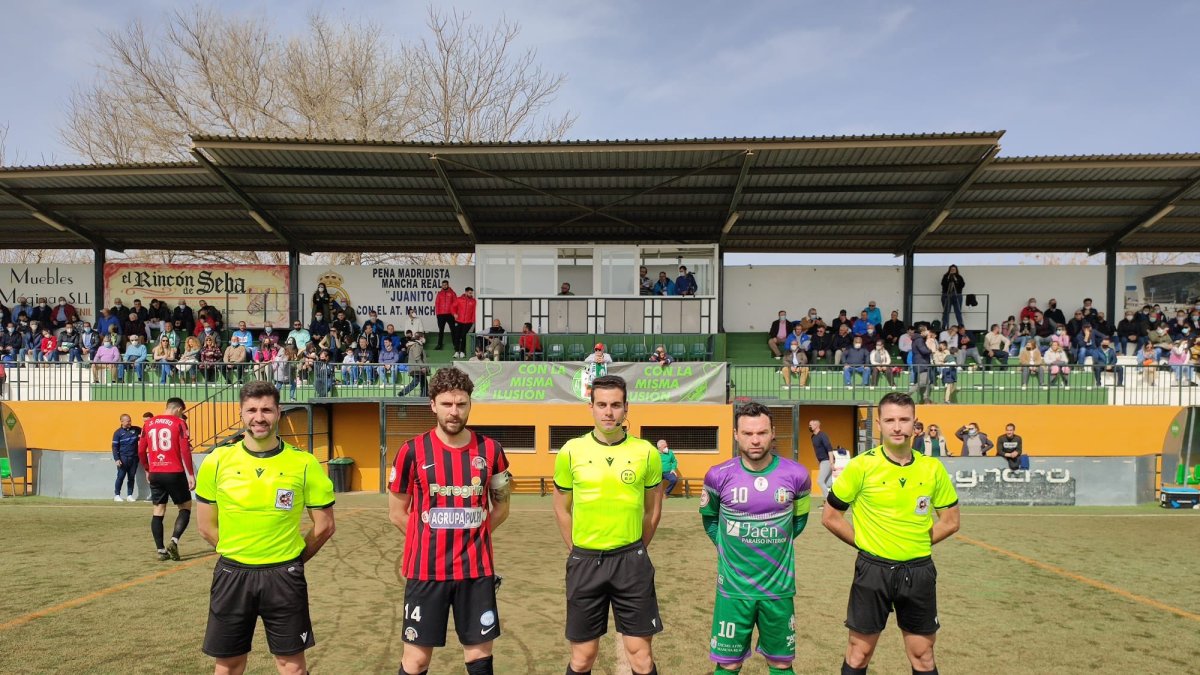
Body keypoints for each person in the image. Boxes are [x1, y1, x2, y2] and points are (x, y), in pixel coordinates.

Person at [195, 381, 336, 675]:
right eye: (252, 410)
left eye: (266, 410)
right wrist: (242, 552)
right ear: (241, 413)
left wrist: (292, 559)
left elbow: (324, 526)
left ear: (279, 412)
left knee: (291, 666)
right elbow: (206, 527)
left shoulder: (305, 463)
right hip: (233, 574)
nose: (259, 417)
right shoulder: (217, 461)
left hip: (284, 577)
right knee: (228, 665)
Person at [823, 392, 960, 675]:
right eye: (890, 420)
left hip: (919, 571)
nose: (897, 427)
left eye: (903, 420)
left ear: (914, 423)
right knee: (859, 653)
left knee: (923, 654)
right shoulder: (861, 466)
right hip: (873, 570)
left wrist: (916, 541)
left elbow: (951, 520)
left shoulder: (932, 468)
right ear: (879, 424)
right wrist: (863, 541)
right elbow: (830, 516)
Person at [387, 368, 511, 675]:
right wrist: (427, 538)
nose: (454, 412)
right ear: (433, 405)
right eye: (446, 404)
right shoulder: (411, 451)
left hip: (476, 571)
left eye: (461, 404)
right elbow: (397, 512)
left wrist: (471, 536)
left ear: (470, 404)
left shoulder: (492, 451)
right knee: (416, 660)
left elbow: (502, 507)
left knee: (479, 658)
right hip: (425, 572)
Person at [553, 375, 663, 675]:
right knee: (583, 657)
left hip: (632, 562)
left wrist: (635, 547)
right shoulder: (571, 451)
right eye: (601, 404)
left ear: (626, 407)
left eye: (615, 405)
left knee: (640, 656)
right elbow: (562, 510)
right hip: (585, 562)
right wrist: (577, 549)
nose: (608, 412)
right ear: (591, 407)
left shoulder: (647, 453)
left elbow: (653, 512)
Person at [700, 401, 811, 674]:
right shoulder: (718, 476)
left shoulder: (797, 475)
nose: (755, 440)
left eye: (762, 433)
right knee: (727, 663)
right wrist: (728, 547)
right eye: (748, 434)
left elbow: (799, 521)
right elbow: (710, 520)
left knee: (781, 662)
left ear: (773, 433)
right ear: (736, 434)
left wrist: (773, 543)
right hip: (734, 590)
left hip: (778, 589)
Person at [137, 397, 195, 561]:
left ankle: (161, 550)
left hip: (155, 472)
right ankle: (174, 541)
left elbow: (141, 450)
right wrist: (190, 474)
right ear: (178, 409)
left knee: (158, 510)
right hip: (174, 472)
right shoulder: (179, 423)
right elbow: (185, 450)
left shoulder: (148, 424)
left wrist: (148, 469)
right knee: (185, 507)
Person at [112, 414, 141, 502]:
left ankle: (129, 495)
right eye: (127, 421)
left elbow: (146, 432)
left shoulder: (136, 429)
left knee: (131, 477)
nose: (129, 422)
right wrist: (117, 459)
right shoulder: (118, 433)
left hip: (134, 458)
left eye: (130, 420)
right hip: (123, 458)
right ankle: (117, 495)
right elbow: (114, 447)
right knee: (120, 476)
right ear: (122, 421)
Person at [810, 419, 834, 497]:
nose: (809, 426)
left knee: (820, 481)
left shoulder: (822, 435)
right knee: (828, 483)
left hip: (827, 460)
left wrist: (831, 462)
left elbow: (829, 448)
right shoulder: (813, 437)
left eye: (811, 425)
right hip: (822, 461)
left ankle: (828, 502)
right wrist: (818, 461)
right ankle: (836, 498)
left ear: (816, 425)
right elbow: (817, 449)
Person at [452, 287, 477, 359]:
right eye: (469, 293)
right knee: (457, 336)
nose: (471, 294)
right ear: (465, 292)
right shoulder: (459, 299)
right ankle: (456, 351)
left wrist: (473, 321)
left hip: (468, 322)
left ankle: (462, 351)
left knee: (464, 336)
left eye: (471, 293)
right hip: (458, 321)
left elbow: (474, 312)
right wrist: (454, 314)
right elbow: (452, 307)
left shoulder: (473, 301)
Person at [434, 280, 458, 351]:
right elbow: (437, 304)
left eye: (445, 285)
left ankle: (455, 345)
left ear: (448, 285)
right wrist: (438, 314)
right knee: (441, 330)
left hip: (450, 314)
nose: (444, 286)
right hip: (441, 315)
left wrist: (454, 314)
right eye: (443, 285)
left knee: (453, 330)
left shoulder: (452, 293)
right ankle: (439, 345)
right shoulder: (439, 294)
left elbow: (455, 304)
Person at [940, 264, 965, 329]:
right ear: (949, 270)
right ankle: (944, 325)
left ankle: (961, 325)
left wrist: (956, 279)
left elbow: (962, 285)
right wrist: (948, 277)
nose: (953, 270)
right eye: (951, 269)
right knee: (946, 311)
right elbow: (943, 284)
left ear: (956, 270)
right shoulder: (946, 276)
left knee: (958, 311)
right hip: (947, 295)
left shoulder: (959, 277)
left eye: (954, 269)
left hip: (957, 295)